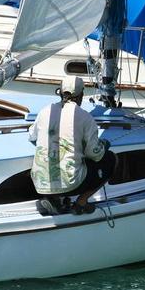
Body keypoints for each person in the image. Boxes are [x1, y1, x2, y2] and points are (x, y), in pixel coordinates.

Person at [29, 76, 116, 216]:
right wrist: (104, 146)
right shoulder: (85, 118)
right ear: (81, 95)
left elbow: (32, 136)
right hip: (72, 185)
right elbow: (94, 154)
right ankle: (81, 203)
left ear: (60, 92)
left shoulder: (45, 111)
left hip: (40, 184)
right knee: (110, 159)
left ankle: (53, 198)